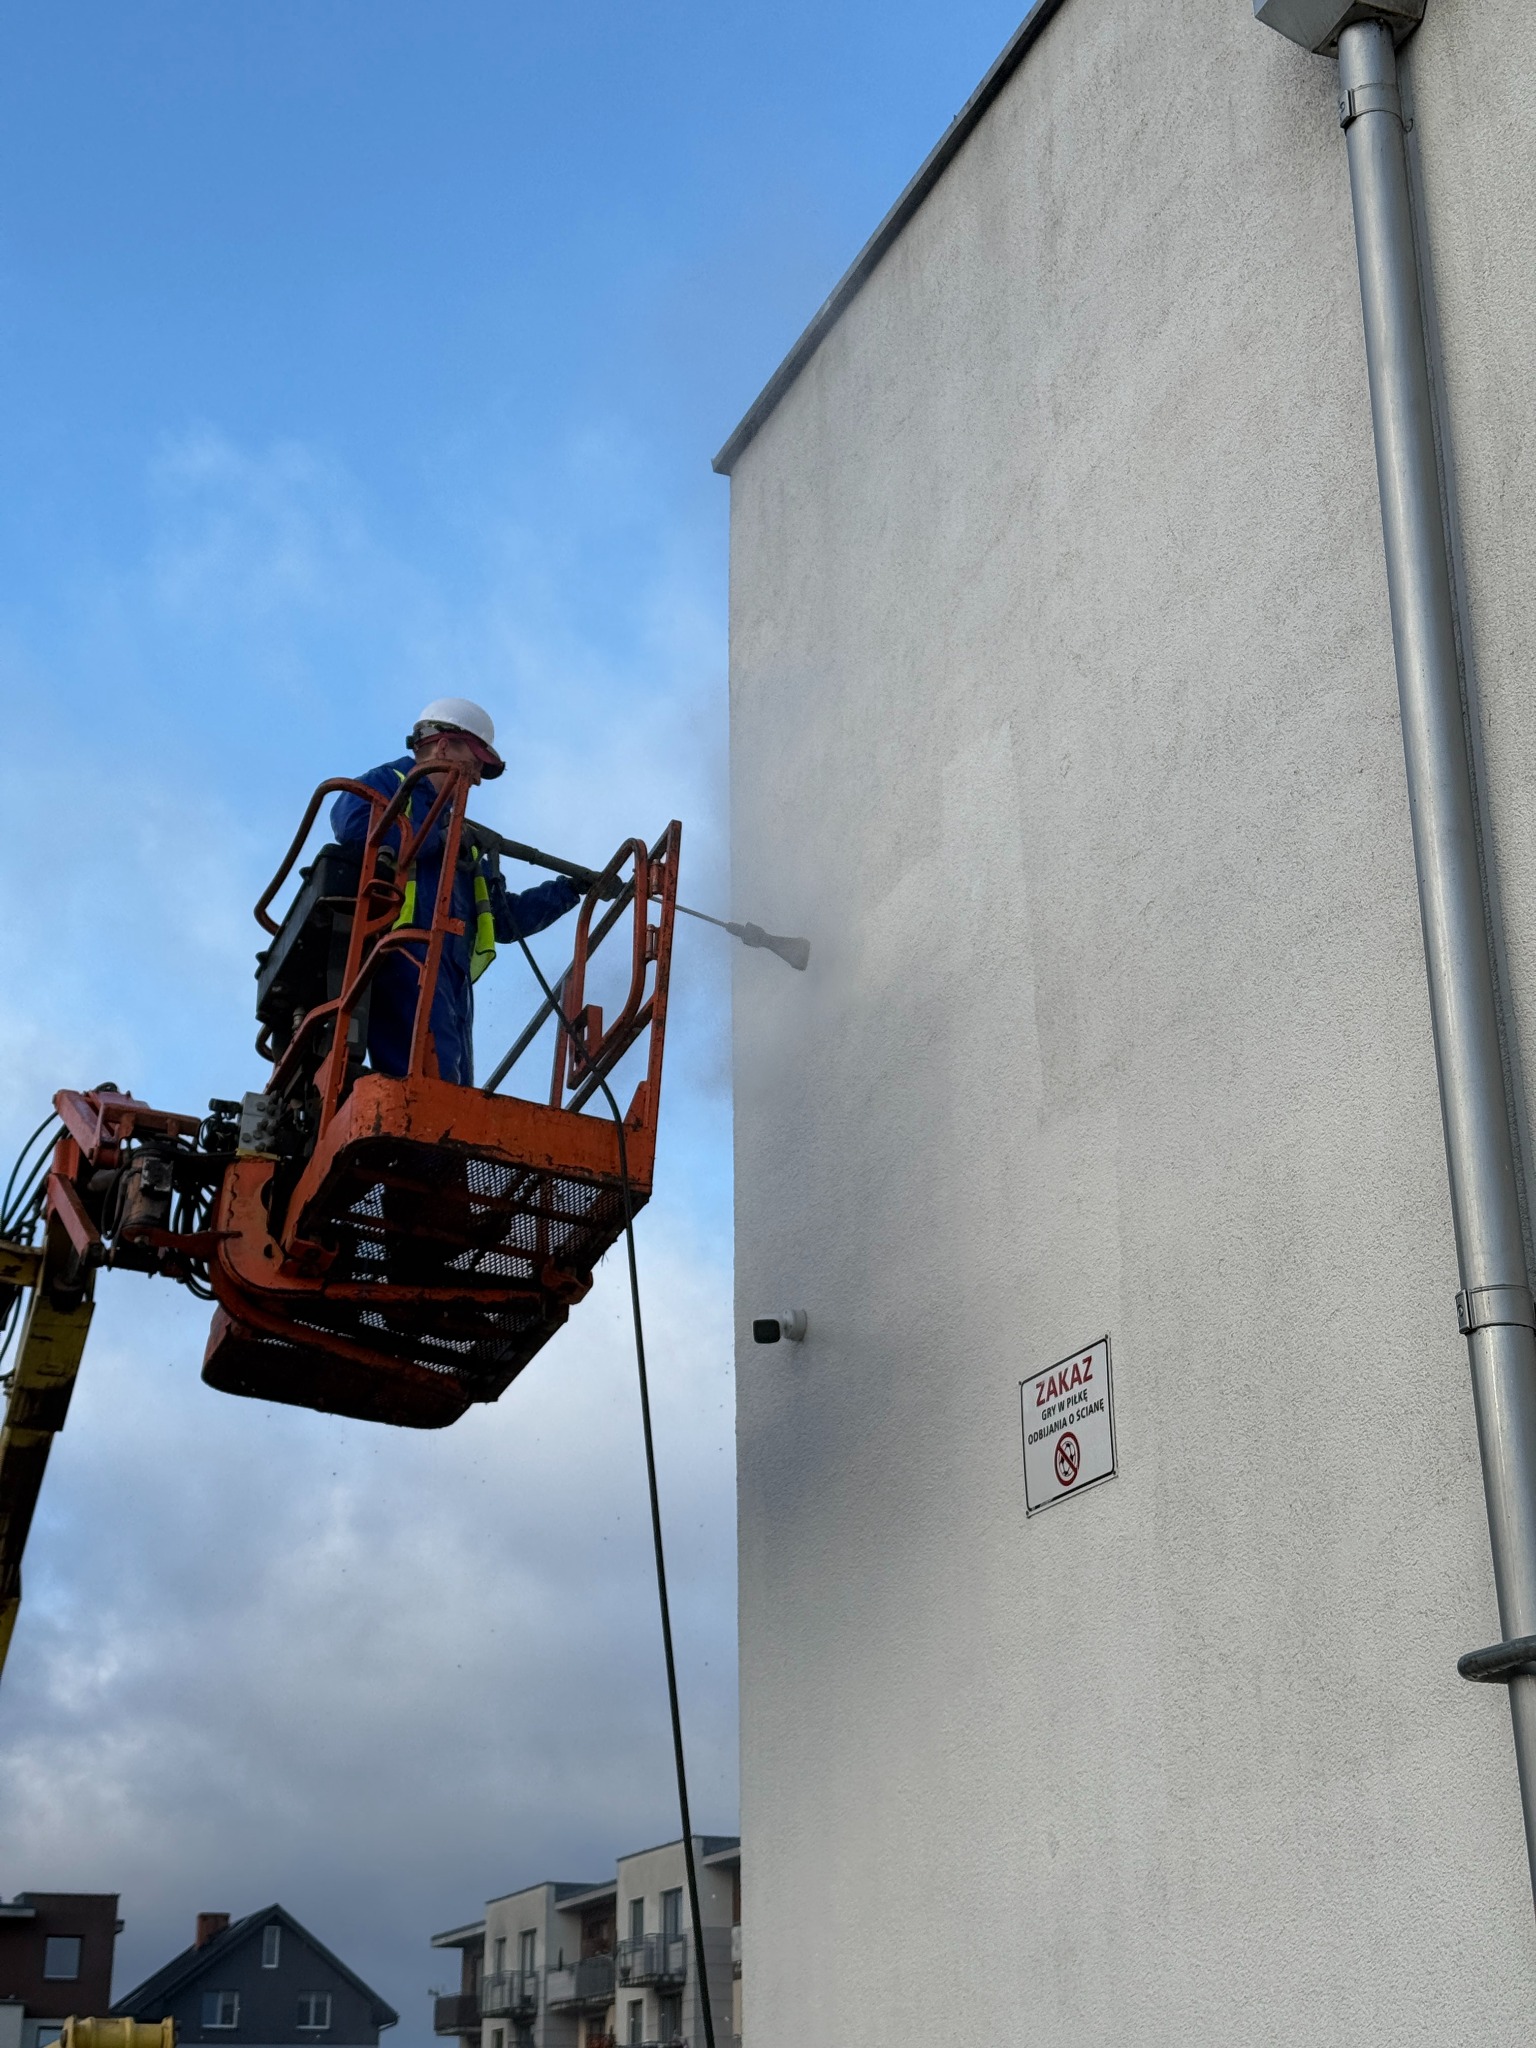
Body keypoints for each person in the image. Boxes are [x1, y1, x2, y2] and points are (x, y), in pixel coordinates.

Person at [330, 697, 581, 1087]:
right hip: (401, 957)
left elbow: (503, 920)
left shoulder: (461, 833)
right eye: (476, 761)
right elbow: (353, 824)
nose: (477, 777)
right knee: (427, 1084)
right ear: (443, 744)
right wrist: (440, 838)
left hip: (449, 980)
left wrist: (569, 890)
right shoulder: (392, 785)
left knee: (451, 1087)